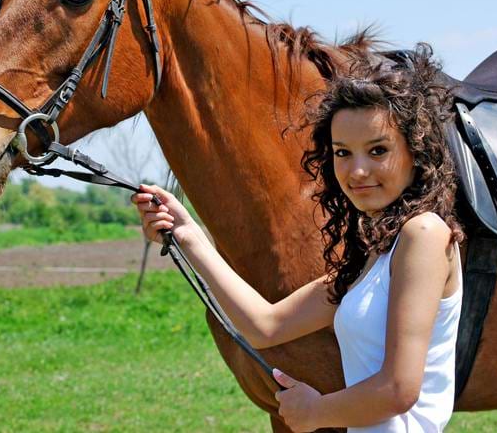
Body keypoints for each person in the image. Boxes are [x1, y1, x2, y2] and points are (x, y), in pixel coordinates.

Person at [133, 43, 465, 432]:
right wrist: (188, 234)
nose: (357, 171)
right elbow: (265, 325)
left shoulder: (423, 233)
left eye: (378, 150)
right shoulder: (374, 256)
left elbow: (397, 389)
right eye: (343, 153)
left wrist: (316, 412)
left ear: (415, 151)